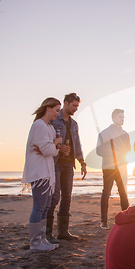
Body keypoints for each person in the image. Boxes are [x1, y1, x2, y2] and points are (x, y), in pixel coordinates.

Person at [22, 97, 62, 252]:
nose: (57, 114)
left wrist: (54, 145)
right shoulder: (38, 125)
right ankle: (35, 242)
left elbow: (50, 149)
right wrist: (56, 144)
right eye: (56, 110)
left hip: (47, 172)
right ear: (48, 108)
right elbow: (49, 150)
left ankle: (42, 239)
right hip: (39, 172)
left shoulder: (49, 127)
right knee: (39, 207)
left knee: (45, 207)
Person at [45, 93, 87, 243]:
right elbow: (47, 140)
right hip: (55, 162)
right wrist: (58, 146)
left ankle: (63, 232)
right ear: (66, 103)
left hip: (69, 164)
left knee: (67, 197)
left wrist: (82, 162)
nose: (76, 109)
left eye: (77, 106)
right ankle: (47, 233)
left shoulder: (74, 124)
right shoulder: (54, 120)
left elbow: (77, 143)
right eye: (74, 105)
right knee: (54, 196)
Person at [97, 109, 131, 229]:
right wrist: (113, 153)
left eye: (123, 117)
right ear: (113, 118)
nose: (122, 119)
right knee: (106, 192)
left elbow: (128, 150)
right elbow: (99, 150)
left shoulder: (126, 134)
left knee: (123, 192)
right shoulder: (105, 133)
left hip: (122, 167)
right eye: (120, 117)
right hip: (109, 167)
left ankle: (127, 219)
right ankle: (104, 221)